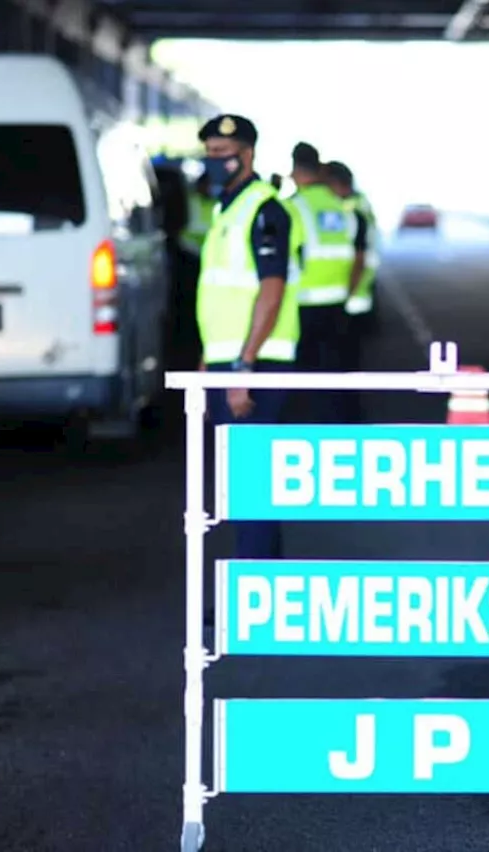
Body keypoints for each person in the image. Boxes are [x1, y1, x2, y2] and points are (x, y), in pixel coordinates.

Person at [195, 114, 302, 568]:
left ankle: (254, 603)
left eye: (224, 154)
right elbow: (221, 295)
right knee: (241, 487)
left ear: (248, 153)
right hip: (229, 361)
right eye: (211, 155)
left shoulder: (266, 208)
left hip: (256, 364)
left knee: (250, 486)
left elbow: (272, 290)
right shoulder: (227, 208)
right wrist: (206, 362)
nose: (216, 162)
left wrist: (243, 368)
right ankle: (260, 595)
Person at [285, 143, 355, 423]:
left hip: (304, 304)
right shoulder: (341, 208)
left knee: (306, 380)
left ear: (296, 170)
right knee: (335, 375)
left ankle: (310, 430)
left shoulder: (294, 207)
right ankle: (338, 428)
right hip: (338, 302)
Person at [322, 160, 375, 423]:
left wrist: (347, 293)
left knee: (342, 369)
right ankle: (347, 416)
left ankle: (345, 418)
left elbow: (360, 259)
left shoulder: (351, 211)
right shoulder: (353, 210)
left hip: (347, 302)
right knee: (344, 369)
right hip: (349, 301)